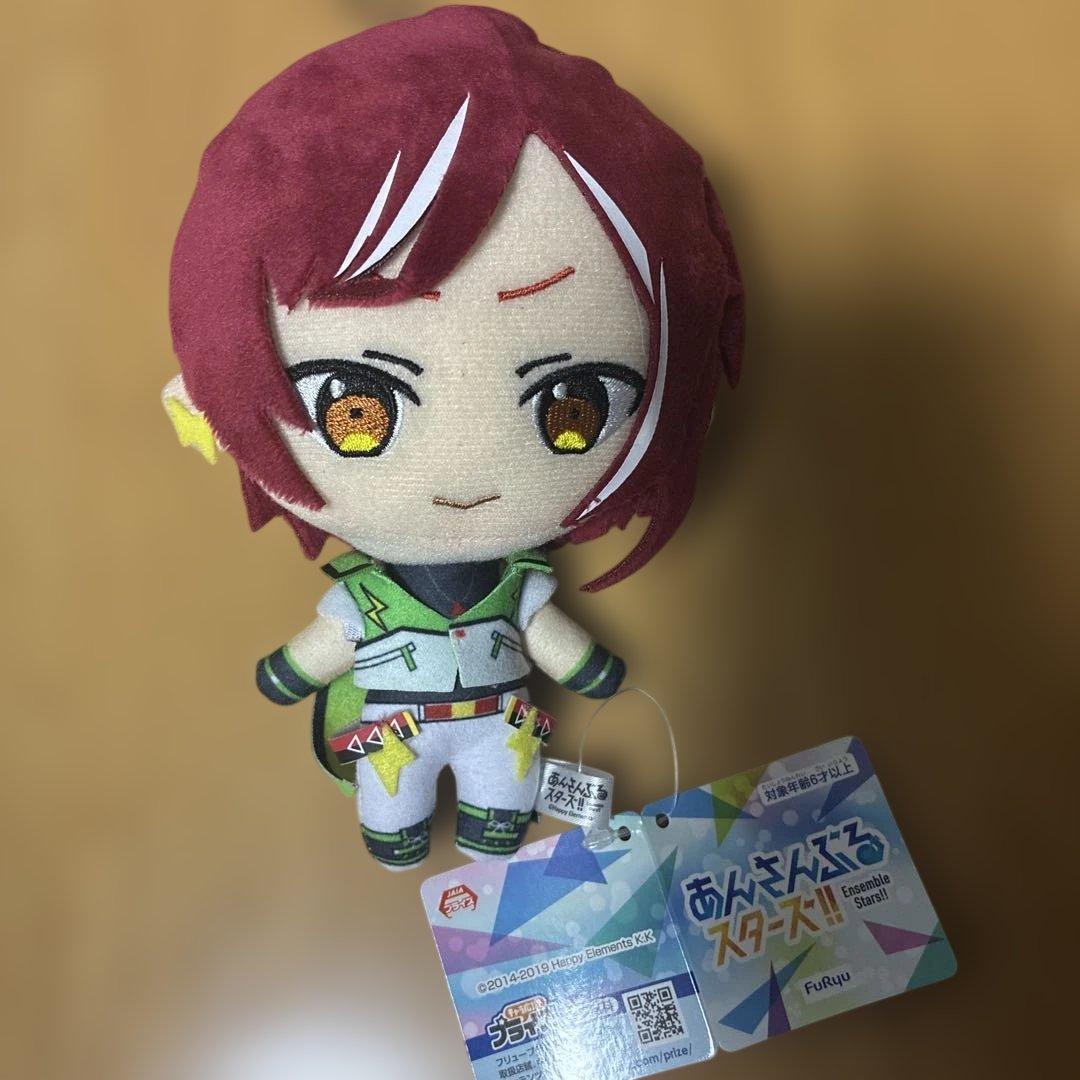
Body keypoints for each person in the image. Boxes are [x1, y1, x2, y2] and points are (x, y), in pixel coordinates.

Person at [164, 6, 743, 870]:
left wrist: (590, 672)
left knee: (504, 790)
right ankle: (395, 831)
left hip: (502, 728)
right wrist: (289, 672)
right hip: (393, 736)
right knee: (391, 792)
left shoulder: (518, 589)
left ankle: (492, 829)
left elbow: (551, 638)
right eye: (357, 408)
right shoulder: (368, 602)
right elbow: (321, 651)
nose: (466, 470)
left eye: (573, 404)